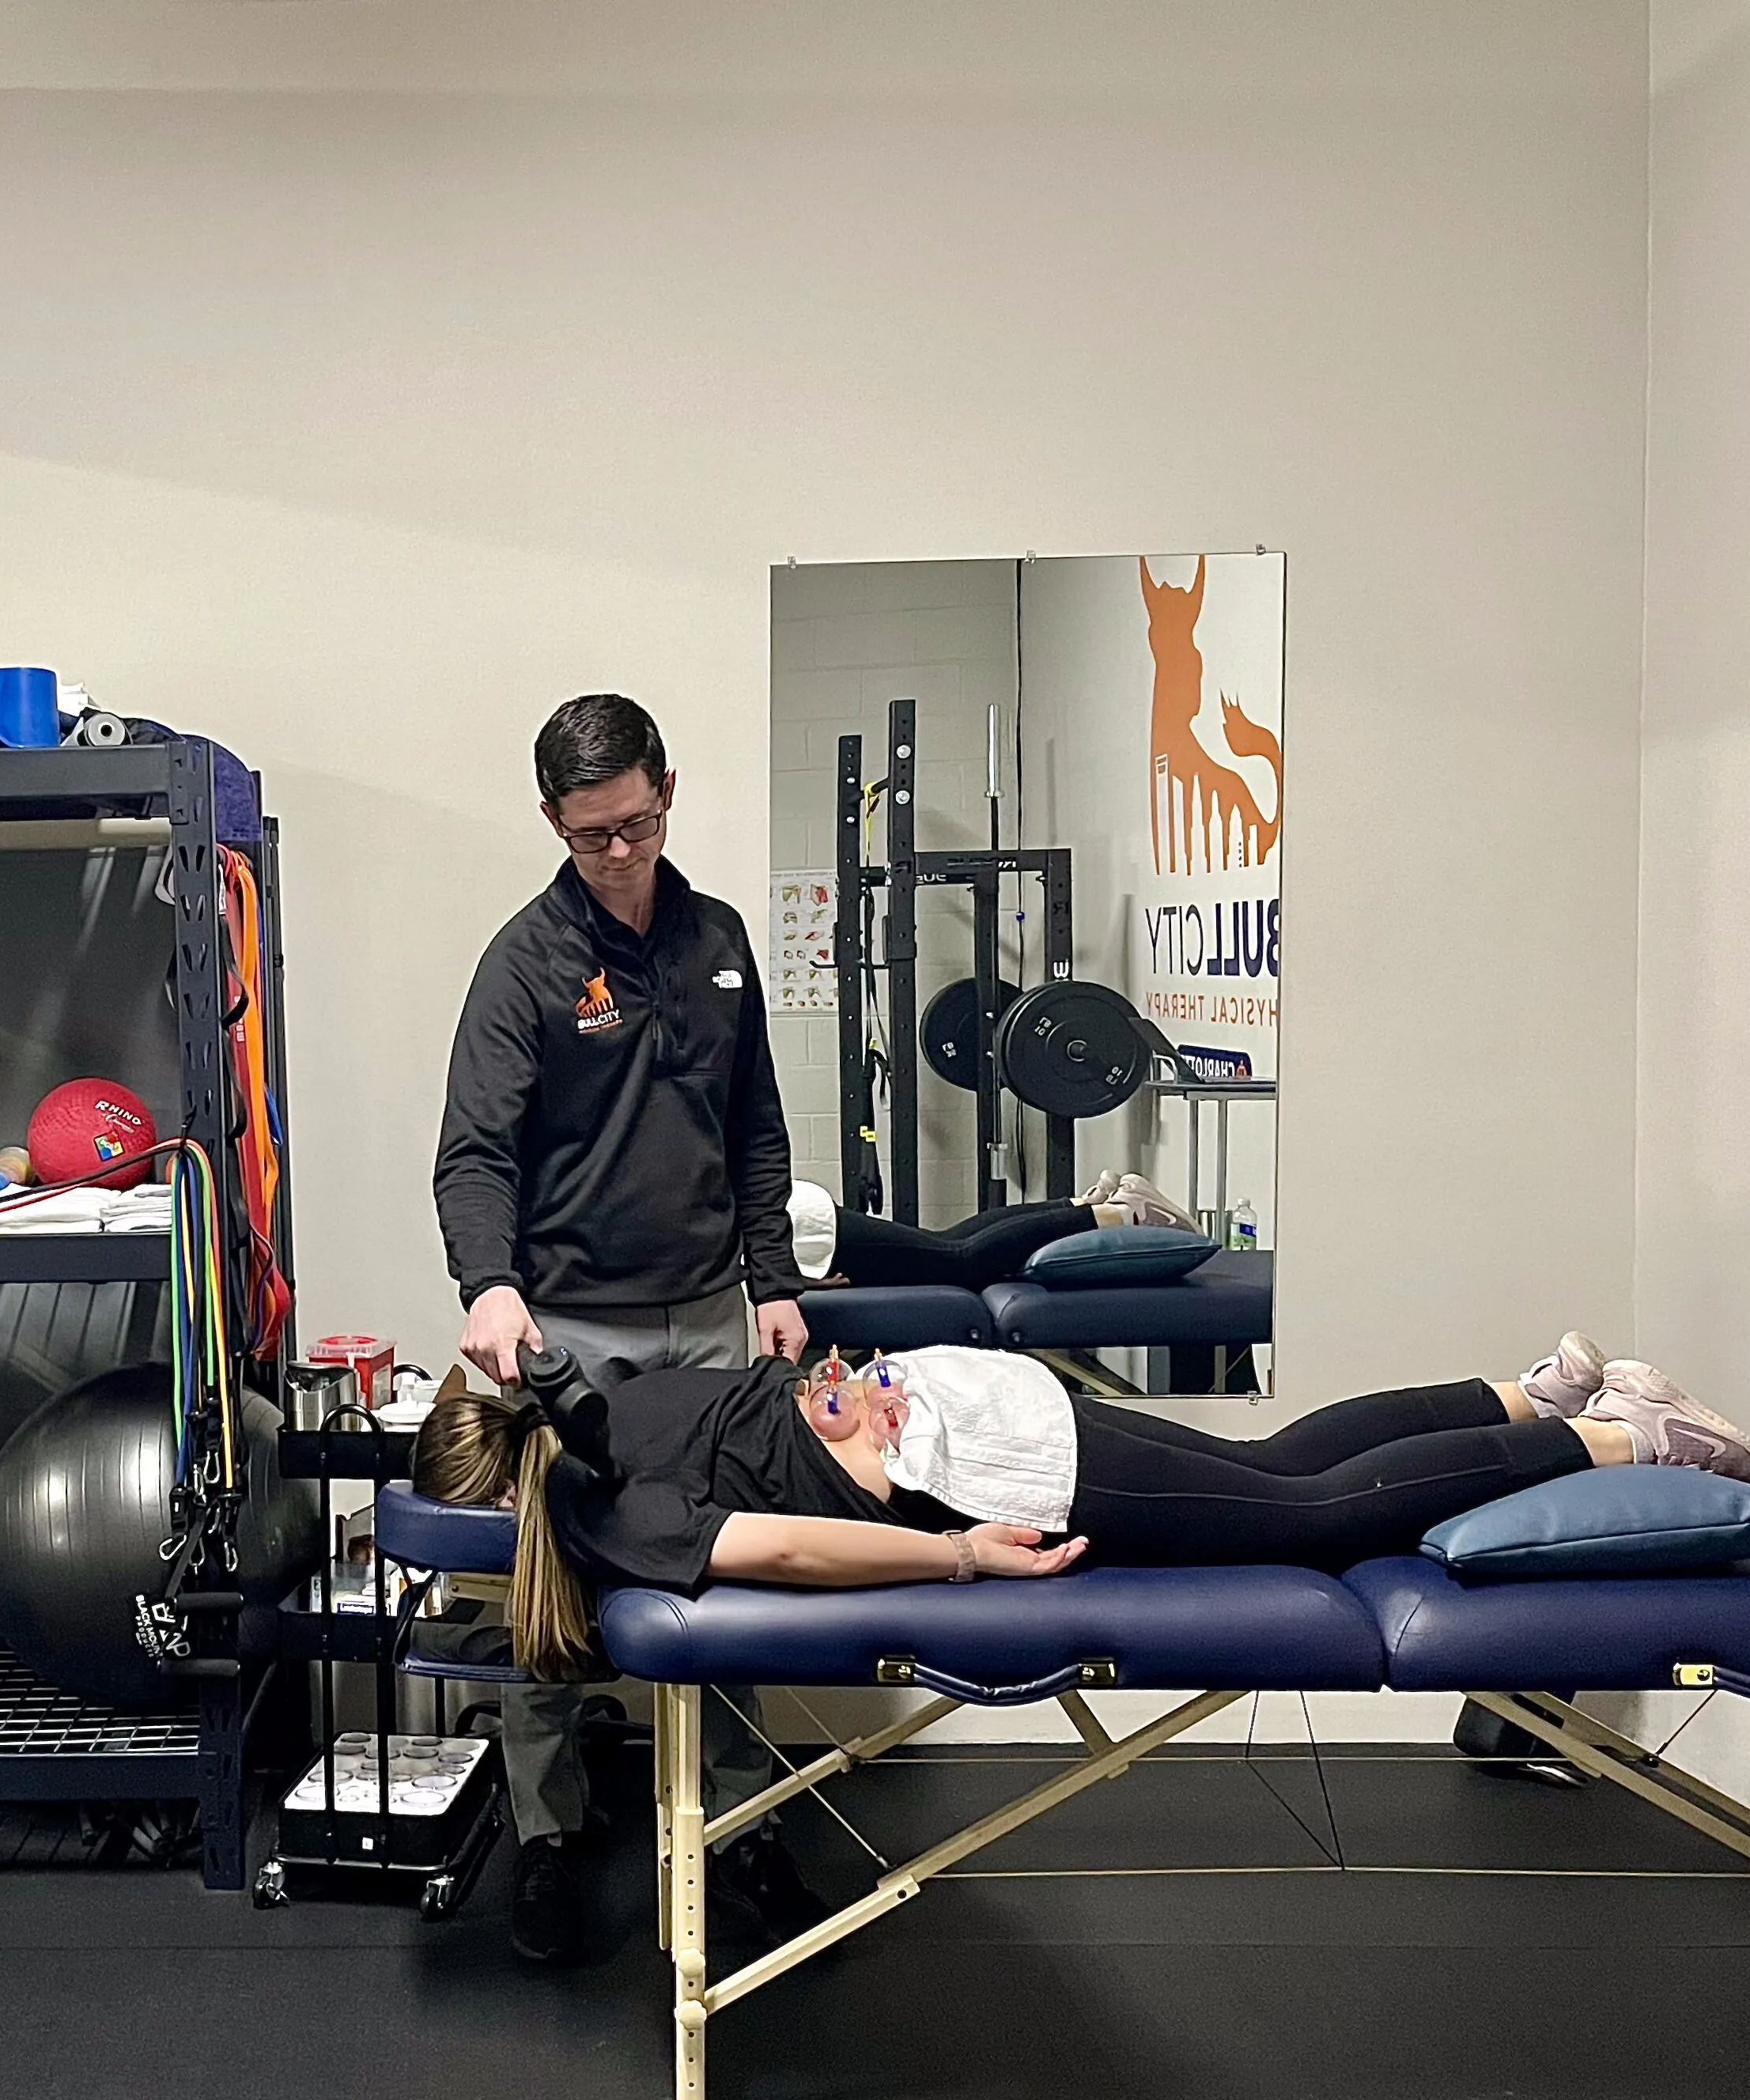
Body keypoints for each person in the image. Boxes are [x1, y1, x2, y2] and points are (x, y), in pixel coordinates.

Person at [433, 691, 818, 1964]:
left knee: (731, 1572)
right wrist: (487, 1285)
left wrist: (772, 1281)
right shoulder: (522, 963)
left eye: (638, 824)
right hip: (568, 1328)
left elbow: (754, 1123)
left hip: (709, 1310)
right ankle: (547, 1836)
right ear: (553, 820)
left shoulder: (714, 939)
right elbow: (473, 1155)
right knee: (549, 1593)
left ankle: (743, 1824)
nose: (619, 853)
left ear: (666, 789)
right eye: (593, 834)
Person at [412, 1331, 1750, 1674]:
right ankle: (1529, 1392)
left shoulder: (582, 1501)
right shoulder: (586, 1401)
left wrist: (954, 1561)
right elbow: (766, 1427)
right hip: (946, 1402)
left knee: (1306, 1518)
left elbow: (771, 1543)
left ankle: (1617, 1439)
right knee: (1284, 1463)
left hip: (979, 1463)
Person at [788, 1167, 1199, 1290]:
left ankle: (1123, 1212)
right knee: (947, 1243)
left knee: (959, 1261)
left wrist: (781, 1281)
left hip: (801, 1231)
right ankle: (1082, 1206)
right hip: (799, 1223)